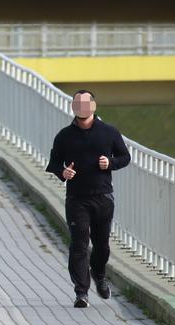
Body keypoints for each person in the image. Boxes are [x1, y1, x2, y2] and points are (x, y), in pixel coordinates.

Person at [45, 90, 131, 308]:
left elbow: (125, 157)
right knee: (79, 245)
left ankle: (99, 275)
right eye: (77, 103)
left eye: (85, 103)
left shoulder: (109, 132)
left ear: (93, 105)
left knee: (101, 245)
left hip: (103, 197)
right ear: (73, 107)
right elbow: (54, 163)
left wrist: (110, 163)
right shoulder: (64, 135)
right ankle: (81, 292)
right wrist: (62, 172)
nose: (81, 107)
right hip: (77, 199)